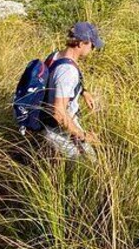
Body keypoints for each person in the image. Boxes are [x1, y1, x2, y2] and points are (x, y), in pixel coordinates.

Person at [40, 22, 103, 159]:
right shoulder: (68, 71)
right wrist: (84, 136)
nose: (93, 49)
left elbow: (56, 80)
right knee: (88, 165)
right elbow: (59, 113)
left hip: (45, 121)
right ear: (81, 43)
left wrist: (83, 91)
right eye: (92, 45)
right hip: (59, 130)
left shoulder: (56, 56)